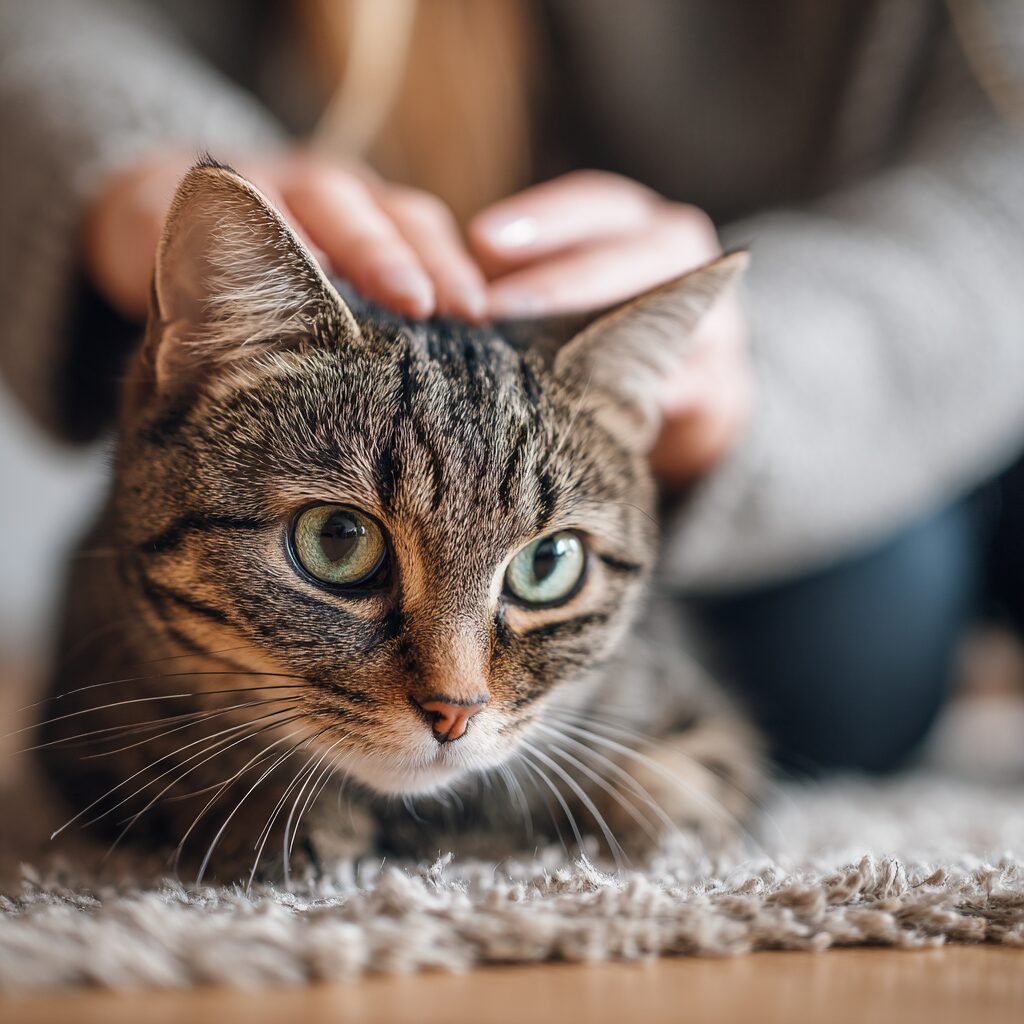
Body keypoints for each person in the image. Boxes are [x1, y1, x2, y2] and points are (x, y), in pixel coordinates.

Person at [2, 0, 1023, 774]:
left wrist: (782, 363)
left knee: (843, 634)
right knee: (843, 645)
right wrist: (127, 161)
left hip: (893, 337)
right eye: (338, 544)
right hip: (361, 321)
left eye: (539, 571)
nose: (454, 694)